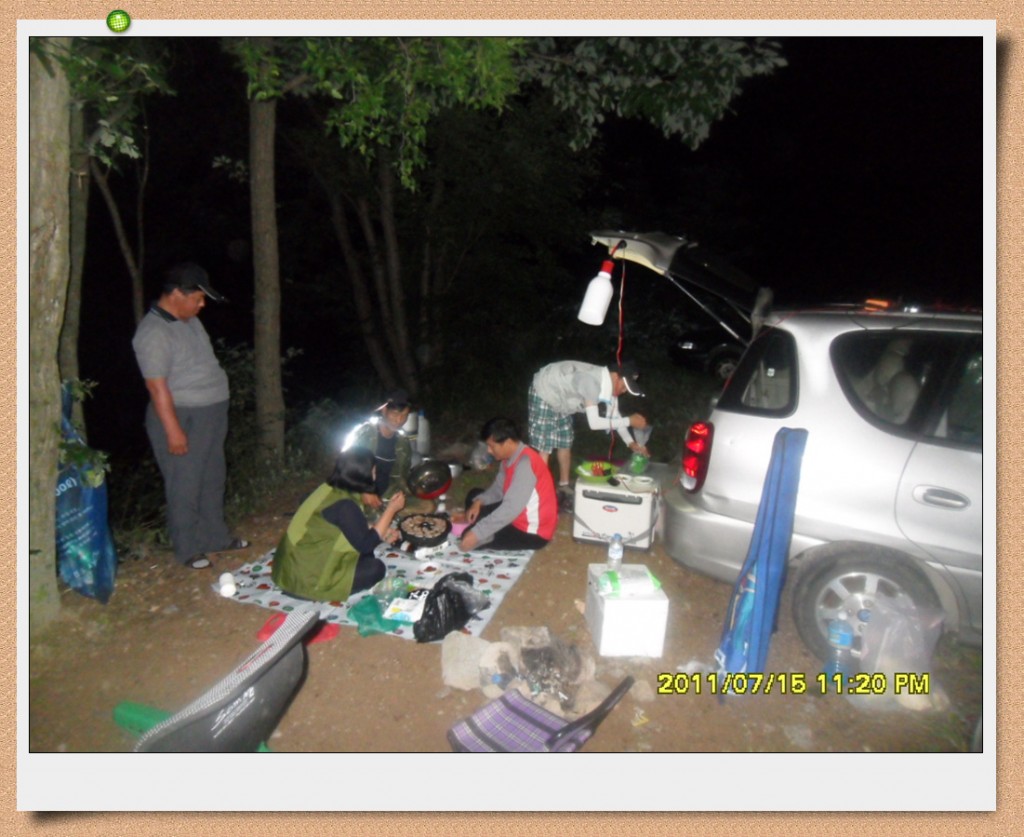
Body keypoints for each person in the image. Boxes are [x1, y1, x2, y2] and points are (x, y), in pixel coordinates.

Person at [131, 262, 249, 570]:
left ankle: (216, 537)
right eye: (197, 298)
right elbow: (156, 387)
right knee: (185, 484)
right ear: (176, 294)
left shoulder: (189, 320)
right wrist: (173, 431)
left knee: (212, 478)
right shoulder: (153, 333)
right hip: (182, 416)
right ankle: (188, 549)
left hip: (211, 412)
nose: (202, 304)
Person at [272, 447, 405, 602]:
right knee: (375, 568)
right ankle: (327, 589)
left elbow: (346, 524)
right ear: (363, 475)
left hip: (289, 571)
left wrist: (382, 530)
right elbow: (366, 544)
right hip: (308, 581)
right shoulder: (345, 505)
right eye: (373, 472)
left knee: (364, 555)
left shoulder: (329, 489)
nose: (375, 477)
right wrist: (391, 510)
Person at [528, 359, 650, 508]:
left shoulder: (609, 387)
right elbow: (594, 423)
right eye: (624, 387)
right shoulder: (591, 383)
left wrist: (631, 443)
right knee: (545, 447)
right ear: (615, 376)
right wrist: (629, 421)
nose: (624, 391)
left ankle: (564, 486)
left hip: (563, 399)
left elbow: (615, 417)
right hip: (546, 389)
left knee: (565, 441)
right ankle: (541, 495)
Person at [459, 417, 557, 552]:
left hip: (531, 532)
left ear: (508, 443)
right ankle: (481, 525)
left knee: (468, 536)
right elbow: (498, 489)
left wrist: (477, 533)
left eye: (492, 446)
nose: (489, 451)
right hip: (516, 514)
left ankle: (484, 532)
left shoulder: (525, 464)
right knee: (474, 496)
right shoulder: (508, 459)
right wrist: (479, 502)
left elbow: (511, 508)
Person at [342, 388, 414, 510]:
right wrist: (364, 489)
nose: (399, 420)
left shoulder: (403, 442)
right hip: (360, 494)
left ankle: (383, 513)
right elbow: (345, 467)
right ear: (384, 410)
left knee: (427, 506)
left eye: (404, 415)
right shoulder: (363, 433)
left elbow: (402, 476)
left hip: (388, 496)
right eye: (395, 414)